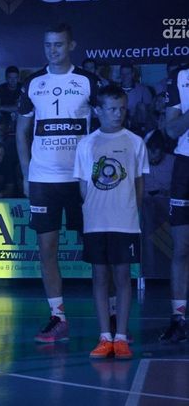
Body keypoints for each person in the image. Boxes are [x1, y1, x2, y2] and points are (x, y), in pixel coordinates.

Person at [16, 23, 99, 343]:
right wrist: (26, 173)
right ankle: (58, 317)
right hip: (43, 180)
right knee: (47, 249)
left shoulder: (88, 81)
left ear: (71, 45)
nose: (53, 50)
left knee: (96, 249)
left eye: (59, 44)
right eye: (48, 45)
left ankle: (111, 318)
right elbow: (22, 132)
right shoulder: (33, 83)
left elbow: (106, 125)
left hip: (81, 180)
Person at [74, 85, 149, 359]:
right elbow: (83, 185)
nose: (118, 114)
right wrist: (96, 208)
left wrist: (128, 210)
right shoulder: (86, 144)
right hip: (95, 222)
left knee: (123, 277)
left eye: (122, 109)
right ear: (98, 110)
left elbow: (139, 183)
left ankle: (121, 337)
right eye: (112, 109)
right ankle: (105, 336)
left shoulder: (135, 142)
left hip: (125, 222)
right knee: (100, 277)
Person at [159, 64, 189, 343]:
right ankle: (178, 319)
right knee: (182, 247)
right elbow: (171, 129)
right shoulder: (180, 77)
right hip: (185, 167)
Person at [119, 63, 154, 136]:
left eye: (127, 74)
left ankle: (143, 133)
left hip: (137, 121)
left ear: (132, 74)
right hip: (120, 118)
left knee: (141, 106)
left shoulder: (143, 89)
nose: (125, 76)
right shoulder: (115, 89)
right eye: (122, 74)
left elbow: (150, 109)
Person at [0, 65, 21, 138]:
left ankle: (22, 138)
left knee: (19, 114)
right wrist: (11, 108)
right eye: (10, 78)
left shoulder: (22, 88)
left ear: (18, 78)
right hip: (2, 115)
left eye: (15, 78)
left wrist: (0, 107)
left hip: (17, 115)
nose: (13, 81)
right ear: (6, 78)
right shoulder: (0, 89)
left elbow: (19, 108)